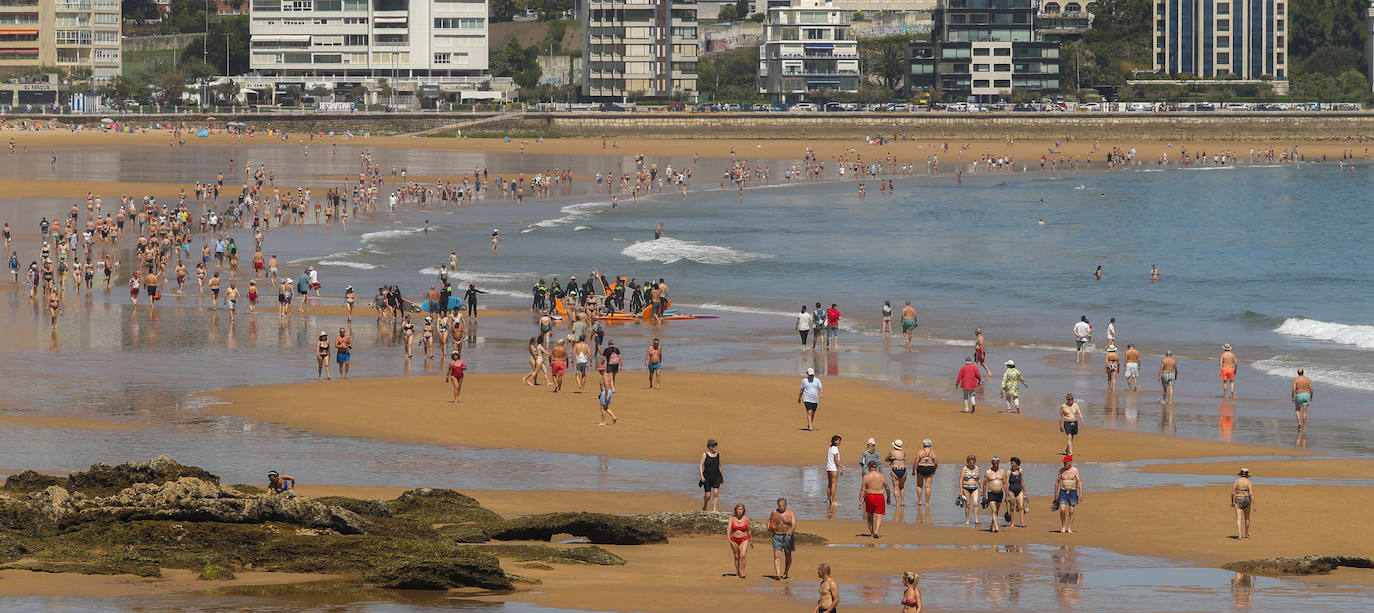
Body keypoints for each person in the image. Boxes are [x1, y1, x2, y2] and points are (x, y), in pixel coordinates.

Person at [860, 461, 891, 538]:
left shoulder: (866, 476)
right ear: (876, 467)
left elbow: (863, 489)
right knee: (879, 515)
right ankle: (876, 531)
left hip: (869, 496)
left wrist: (860, 501)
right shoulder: (881, 476)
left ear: (869, 467)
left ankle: (872, 532)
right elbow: (887, 488)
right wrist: (888, 497)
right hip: (879, 496)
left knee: (870, 516)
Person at [768, 498, 796, 580]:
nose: (781, 507)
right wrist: (769, 527)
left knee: (788, 555)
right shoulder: (774, 512)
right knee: (777, 555)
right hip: (777, 536)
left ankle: (786, 572)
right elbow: (769, 522)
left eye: (782, 505)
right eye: (779, 505)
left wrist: (791, 530)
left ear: (786, 505)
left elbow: (794, 524)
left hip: (788, 536)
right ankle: (777, 574)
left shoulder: (790, 513)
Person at [1054, 456, 1083, 534]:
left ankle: (1069, 528)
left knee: (1071, 510)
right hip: (1063, 492)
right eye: (1064, 462)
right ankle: (1063, 526)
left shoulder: (1075, 470)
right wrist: (1056, 494)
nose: (1064, 463)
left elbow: (1079, 482)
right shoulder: (1061, 471)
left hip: (1072, 492)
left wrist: (1081, 493)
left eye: (1066, 462)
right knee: (1062, 509)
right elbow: (1057, 482)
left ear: (1070, 462)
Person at [982, 456, 1009, 533]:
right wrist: (984, 496)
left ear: (998, 463)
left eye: (997, 463)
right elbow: (984, 485)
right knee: (993, 510)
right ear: (992, 463)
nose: (995, 465)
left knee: (997, 511)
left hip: (1000, 493)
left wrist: (1007, 494)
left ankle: (991, 526)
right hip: (991, 493)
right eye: (994, 463)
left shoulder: (1002, 472)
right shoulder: (988, 472)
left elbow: (1004, 484)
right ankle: (996, 528)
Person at [727, 503, 753, 578]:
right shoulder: (732, 519)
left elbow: (749, 531)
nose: (740, 511)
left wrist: (751, 541)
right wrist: (728, 538)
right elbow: (728, 529)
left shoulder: (746, 519)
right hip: (734, 539)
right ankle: (737, 572)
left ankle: (742, 572)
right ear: (736, 510)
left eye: (741, 509)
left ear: (743, 510)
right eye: (738, 509)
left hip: (744, 539)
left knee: (743, 556)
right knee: (736, 556)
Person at [699, 439, 723, 511]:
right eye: (713, 445)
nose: (714, 446)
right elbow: (701, 465)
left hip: (716, 476)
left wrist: (721, 478)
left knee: (715, 493)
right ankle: (705, 504)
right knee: (708, 495)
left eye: (715, 445)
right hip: (707, 477)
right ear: (709, 446)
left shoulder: (718, 455)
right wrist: (701, 476)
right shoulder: (705, 454)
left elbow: (720, 467)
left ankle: (714, 510)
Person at [1231, 467, 1254, 539]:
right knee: (1247, 518)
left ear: (1241, 474)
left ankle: (1239, 535)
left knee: (1238, 518)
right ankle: (1246, 533)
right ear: (1247, 475)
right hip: (1246, 499)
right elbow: (1251, 494)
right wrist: (1254, 504)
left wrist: (1232, 501)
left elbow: (1232, 493)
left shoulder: (1237, 481)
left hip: (1238, 499)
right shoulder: (1248, 482)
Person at [958, 455, 980, 527]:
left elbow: (979, 478)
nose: (972, 464)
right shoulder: (964, 469)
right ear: (968, 462)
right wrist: (961, 491)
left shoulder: (977, 468)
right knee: (967, 504)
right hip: (966, 488)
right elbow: (961, 480)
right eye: (970, 463)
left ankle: (976, 520)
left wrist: (982, 488)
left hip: (975, 488)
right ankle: (967, 520)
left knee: (976, 503)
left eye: (973, 463)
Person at [914, 439, 937, 506]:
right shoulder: (932, 452)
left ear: (923, 444)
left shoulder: (920, 452)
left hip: (921, 468)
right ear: (930, 445)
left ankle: (920, 501)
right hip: (930, 468)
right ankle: (927, 503)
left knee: (919, 485)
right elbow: (936, 463)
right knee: (928, 486)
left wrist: (913, 470)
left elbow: (916, 462)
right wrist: (934, 470)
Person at [1007, 456, 1029, 528]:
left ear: (1016, 464)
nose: (1011, 464)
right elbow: (1005, 483)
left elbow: (1022, 481)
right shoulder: (1009, 472)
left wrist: (1025, 492)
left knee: (1021, 506)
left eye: (1013, 463)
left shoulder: (1020, 471)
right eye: (1011, 463)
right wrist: (1006, 494)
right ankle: (1012, 523)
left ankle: (1022, 523)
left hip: (1019, 490)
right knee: (1012, 507)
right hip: (1011, 491)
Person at [886, 439, 908, 506]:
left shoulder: (892, 452)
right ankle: (902, 502)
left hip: (895, 470)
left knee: (895, 488)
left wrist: (891, 460)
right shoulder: (903, 452)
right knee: (902, 487)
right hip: (903, 470)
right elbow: (903, 458)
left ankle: (897, 504)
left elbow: (886, 459)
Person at [825, 435, 843, 506]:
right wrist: (840, 467)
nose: (840, 442)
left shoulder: (830, 448)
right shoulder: (835, 448)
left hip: (828, 468)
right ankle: (834, 501)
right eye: (839, 441)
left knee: (829, 484)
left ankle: (828, 500)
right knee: (834, 485)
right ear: (835, 441)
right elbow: (836, 459)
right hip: (833, 469)